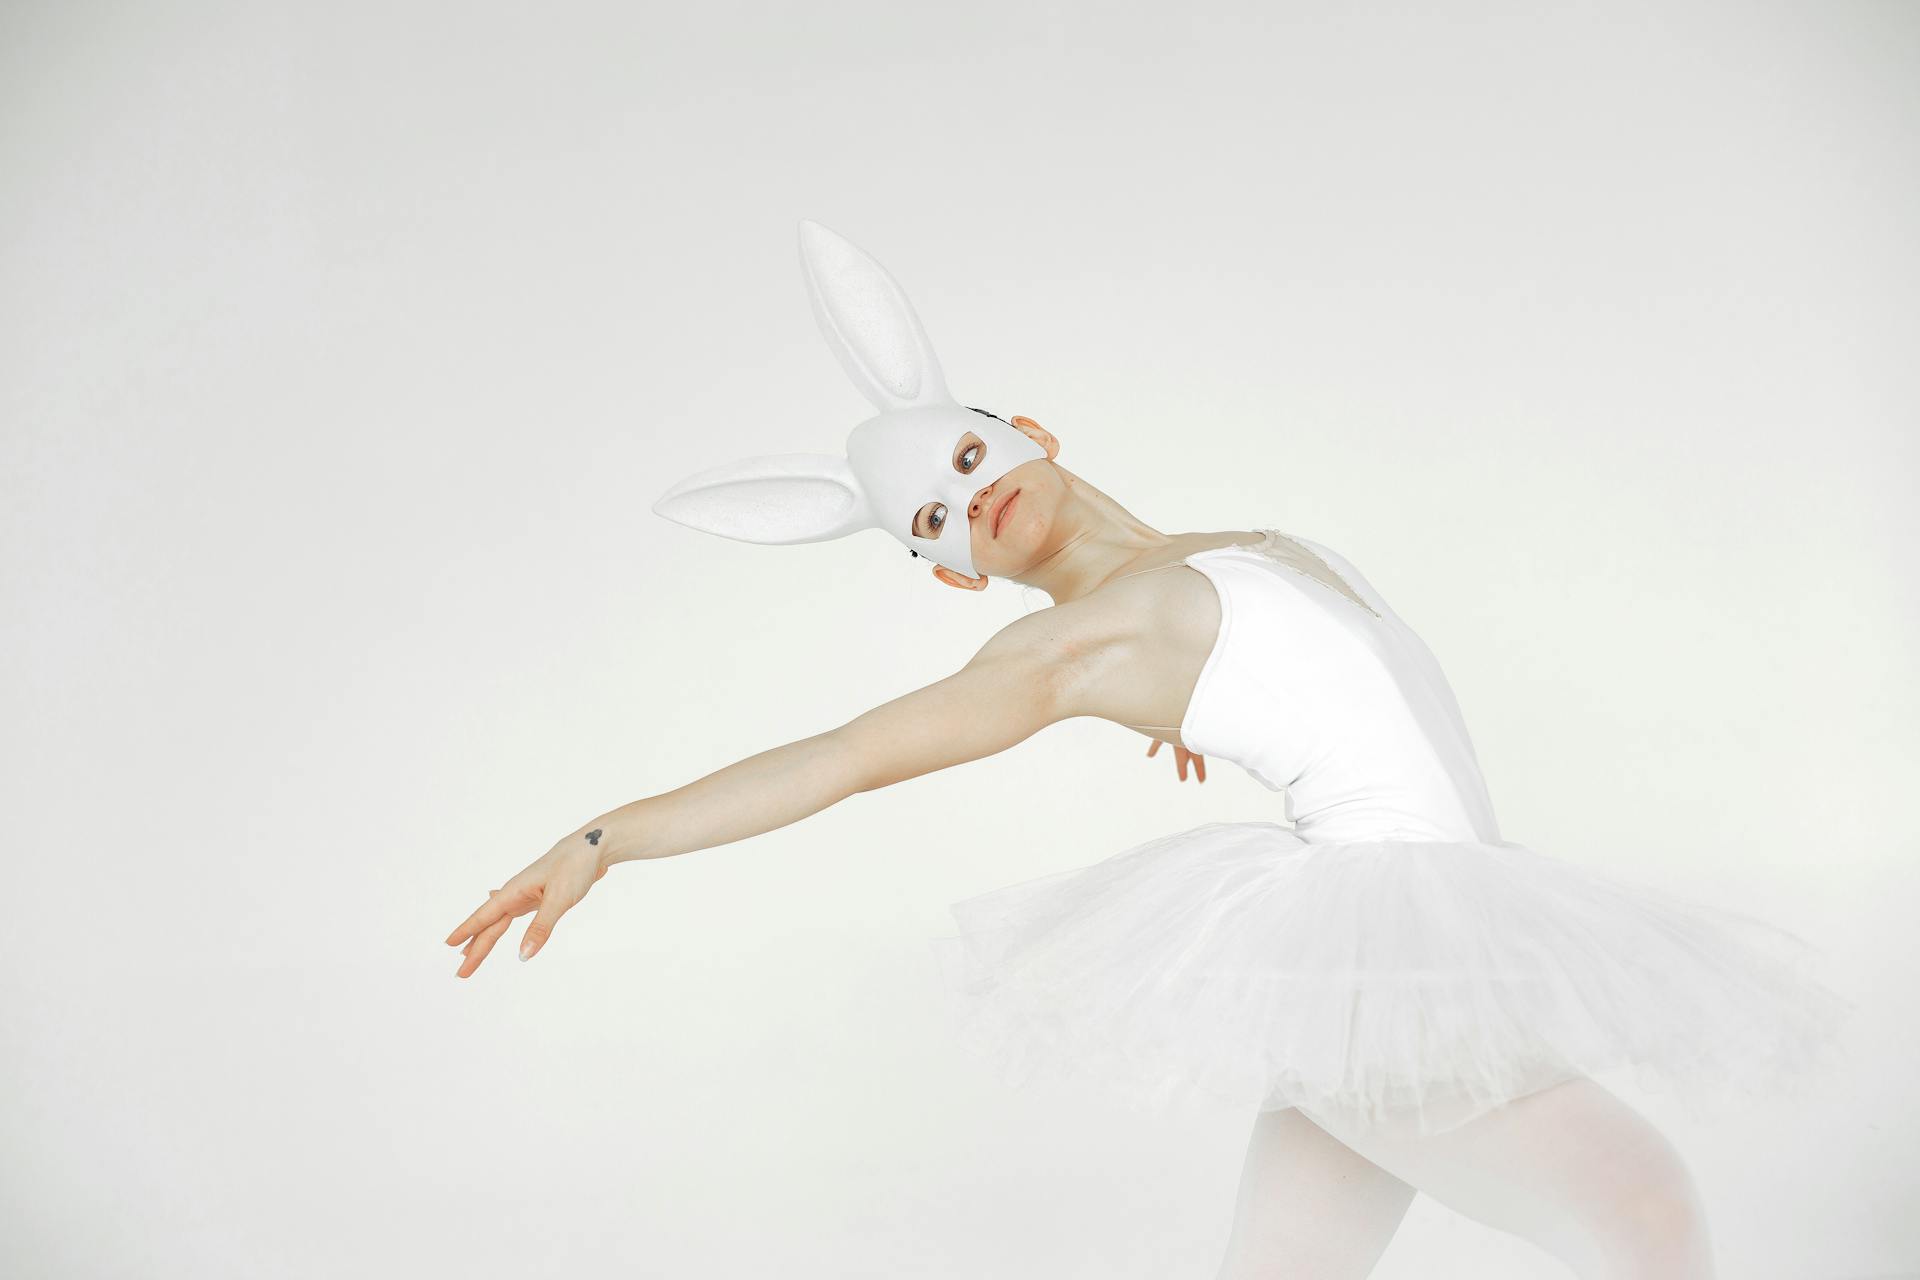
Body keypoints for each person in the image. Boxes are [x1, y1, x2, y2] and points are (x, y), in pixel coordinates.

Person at [443, 222, 1853, 1279]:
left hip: (1399, 937)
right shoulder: (1068, 654)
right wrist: (601, 838)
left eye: (965, 460)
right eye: (930, 524)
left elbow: (1311, 666)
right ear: (946, 579)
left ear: (1028, 428)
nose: (964, 505)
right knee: (1647, 1212)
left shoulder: (1206, 561)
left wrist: (1209, 708)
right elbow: (845, 755)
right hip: (1392, 929)